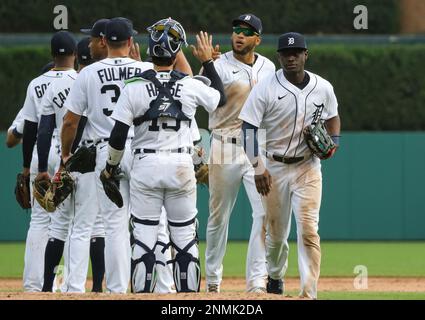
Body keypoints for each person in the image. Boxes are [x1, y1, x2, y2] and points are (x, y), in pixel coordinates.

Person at [100, 18, 226, 293]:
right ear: (177, 50)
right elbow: (220, 99)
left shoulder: (133, 86)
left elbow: (118, 136)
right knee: (184, 239)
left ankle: (143, 296)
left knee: (144, 240)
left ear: (149, 49)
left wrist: (110, 167)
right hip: (181, 164)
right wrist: (208, 62)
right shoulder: (191, 85)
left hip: (146, 165)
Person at [239, 32, 341, 299]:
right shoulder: (266, 87)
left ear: (306, 55)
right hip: (273, 167)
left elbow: (333, 117)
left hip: (308, 166)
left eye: (296, 53)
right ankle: (274, 275)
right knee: (276, 236)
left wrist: (335, 141)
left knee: (308, 229)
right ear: (279, 57)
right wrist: (257, 167)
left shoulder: (323, 87)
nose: (291, 57)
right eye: (286, 53)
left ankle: (309, 293)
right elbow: (247, 128)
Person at [202, 14, 275, 293]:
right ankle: (213, 281)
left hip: (257, 147)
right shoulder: (217, 66)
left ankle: (257, 281)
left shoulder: (269, 68)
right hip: (223, 144)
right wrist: (207, 65)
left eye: (246, 32)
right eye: (236, 31)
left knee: (264, 213)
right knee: (219, 217)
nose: (239, 36)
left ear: (257, 39)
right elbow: (206, 100)